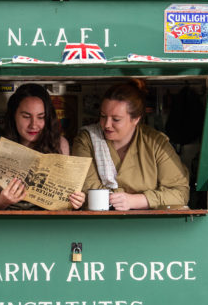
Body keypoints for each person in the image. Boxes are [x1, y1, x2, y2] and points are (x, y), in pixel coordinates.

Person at [72, 79, 189, 210]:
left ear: (136, 119)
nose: (106, 124)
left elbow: (180, 193)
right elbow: (89, 191)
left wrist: (136, 200)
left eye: (116, 119)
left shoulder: (155, 142)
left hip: (149, 226)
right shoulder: (87, 140)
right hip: (99, 225)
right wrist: (122, 198)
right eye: (103, 116)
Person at [0, 83, 85, 210]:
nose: (34, 125)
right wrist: (3, 200)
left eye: (41, 117)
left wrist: (75, 201)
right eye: (26, 117)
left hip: (47, 224)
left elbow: (62, 203)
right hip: (5, 223)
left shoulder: (60, 143)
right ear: (13, 116)